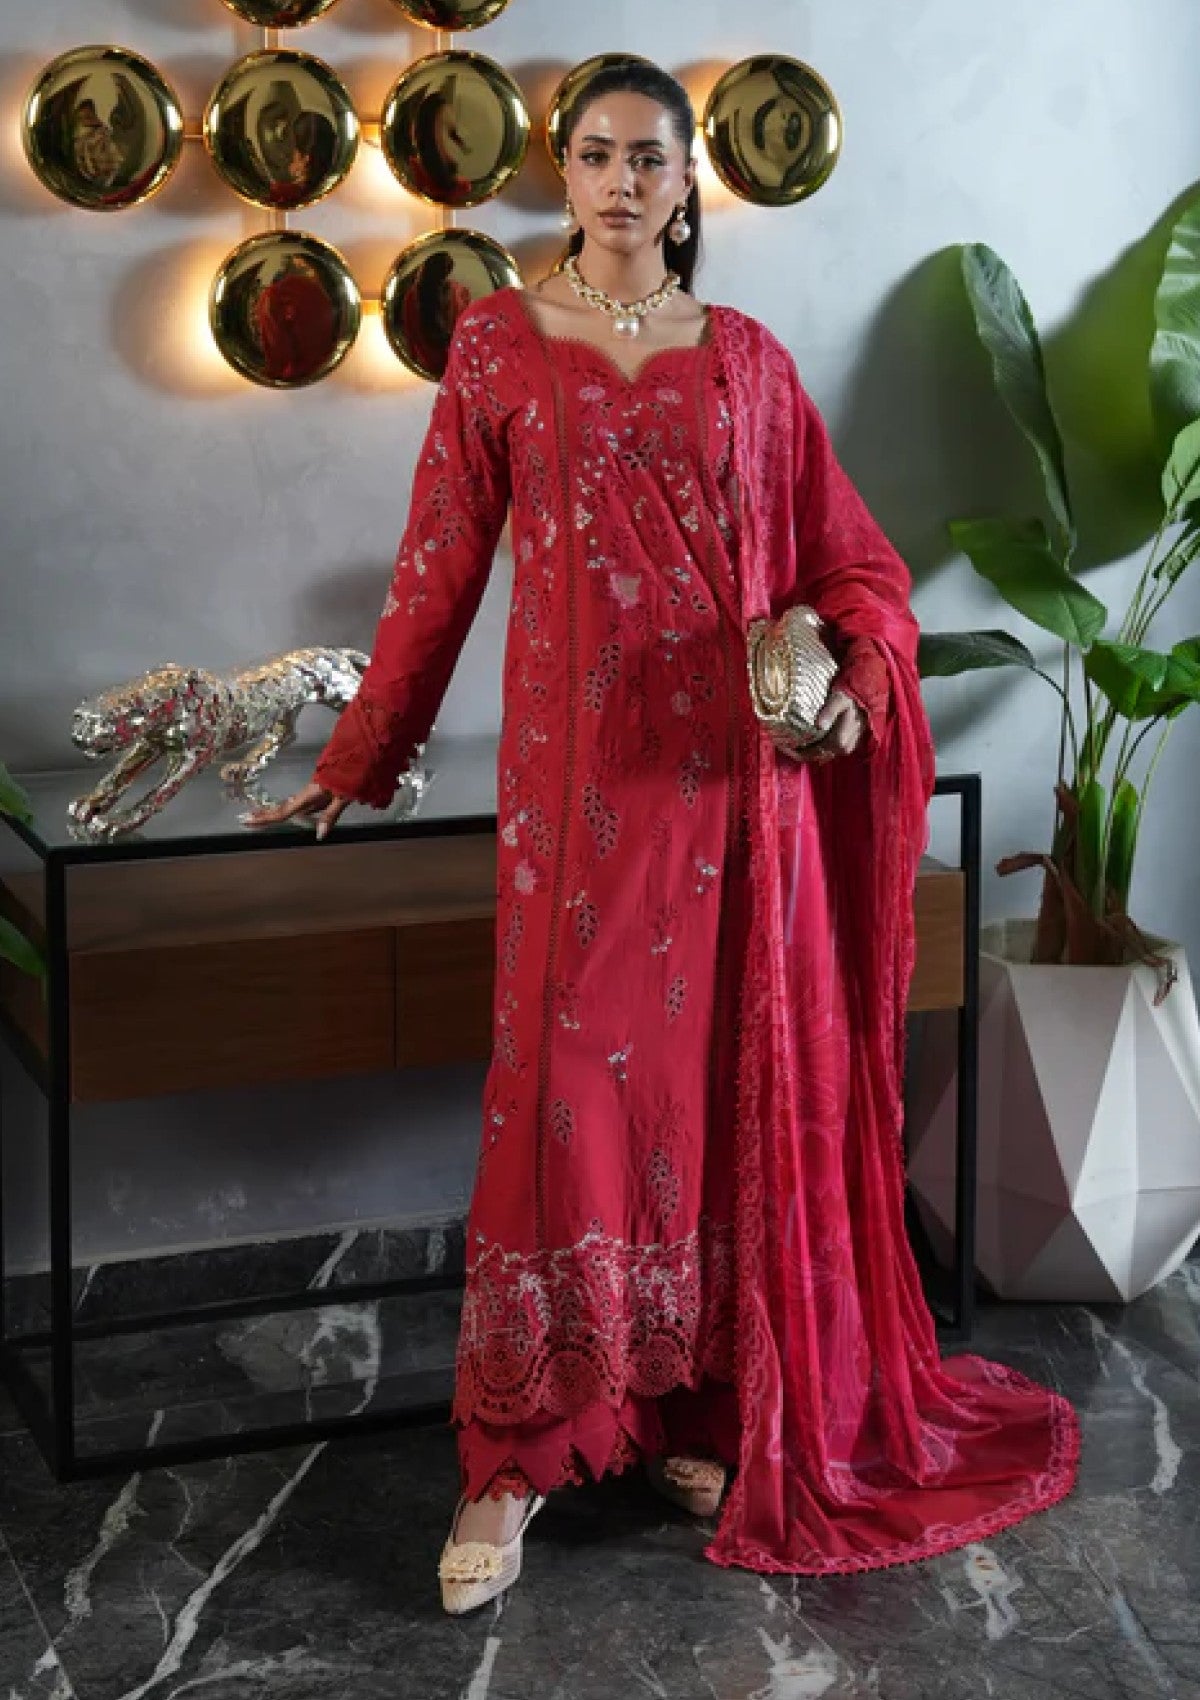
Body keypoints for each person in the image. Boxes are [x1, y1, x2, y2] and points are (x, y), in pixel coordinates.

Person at [246, 59, 1079, 1611]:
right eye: (596, 155)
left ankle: (690, 1408)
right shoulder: (498, 349)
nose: (623, 180)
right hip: (576, 810)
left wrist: (844, 685)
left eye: (650, 157)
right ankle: (514, 1455)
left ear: (689, 182)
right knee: (565, 1101)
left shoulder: (748, 363)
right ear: (562, 176)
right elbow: (439, 569)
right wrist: (358, 756)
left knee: (707, 1107)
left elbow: (851, 565)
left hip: (730, 805)